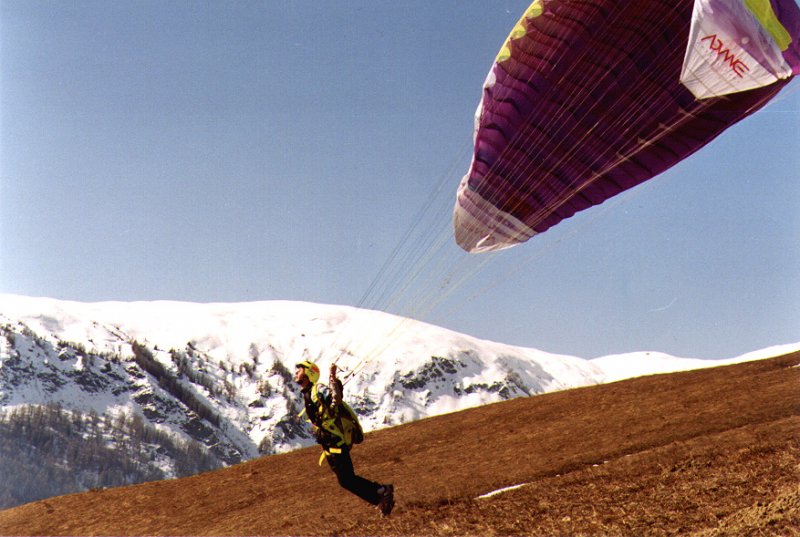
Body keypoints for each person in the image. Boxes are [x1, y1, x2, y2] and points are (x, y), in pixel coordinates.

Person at [294, 360, 395, 516]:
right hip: (328, 444)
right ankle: (381, 496)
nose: (296, 372)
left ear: (309, 373)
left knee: (346, 479)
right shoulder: (309, 394)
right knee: (346, 480)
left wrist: (333, 378)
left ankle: (382, 492)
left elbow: (336, 399)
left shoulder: (317, 390)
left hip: (336, 442)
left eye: (299, 369)